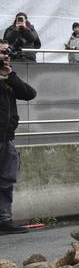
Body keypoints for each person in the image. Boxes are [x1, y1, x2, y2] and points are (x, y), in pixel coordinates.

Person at [0, 41, 36, 233]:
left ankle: (4, 220)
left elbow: (30, 94)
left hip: (6, 138)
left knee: (6, 180)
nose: (4, 55)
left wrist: (10, 75)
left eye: (6, 52)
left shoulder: (9, 78)